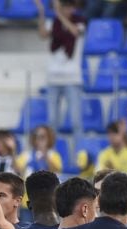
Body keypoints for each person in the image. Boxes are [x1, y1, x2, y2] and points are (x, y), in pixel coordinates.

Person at [34, 0, 85, 143]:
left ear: (73, 8)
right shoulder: (55, 23)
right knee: (52, 123)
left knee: (76, 122)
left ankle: (81, 159)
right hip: (53, 78)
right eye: (64, 7)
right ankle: (52, 158)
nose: (66, 10)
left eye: (68, 7)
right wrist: (41, 12)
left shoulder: (80, 22)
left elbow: (74, 31)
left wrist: (59, 14)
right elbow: (43, 33)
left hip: (72, 78)